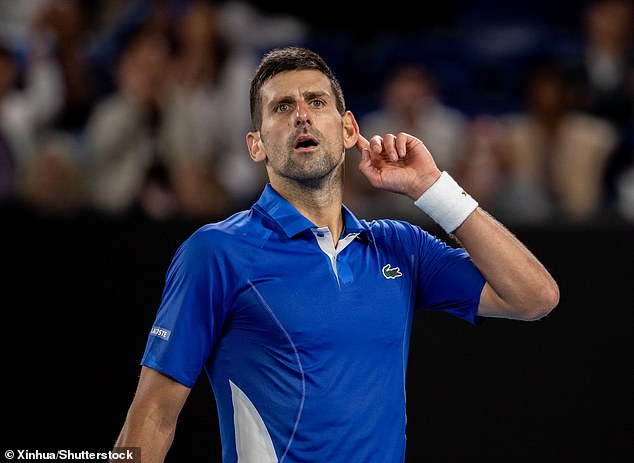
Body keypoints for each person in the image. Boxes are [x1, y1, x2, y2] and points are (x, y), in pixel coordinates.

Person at [110, 46, 559, 463]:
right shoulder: (216, 252)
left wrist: (433, 190)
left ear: (348, 130)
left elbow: (534, 296)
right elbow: (152, 416)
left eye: (317, 102)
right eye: (282, 107)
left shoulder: (400, 246)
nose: (302, 116)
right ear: (256, 144)